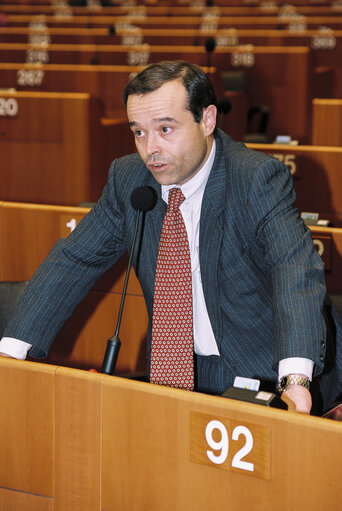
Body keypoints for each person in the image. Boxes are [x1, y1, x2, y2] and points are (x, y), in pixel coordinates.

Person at [0, 61, 336, 415]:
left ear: (207, 120)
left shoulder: (255, 178)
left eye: (165, 128)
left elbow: (294, 270)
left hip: (264, 372)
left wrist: (296, 380)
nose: (150, 149)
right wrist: (11, 350)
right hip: (173, 370)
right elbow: (75, 260)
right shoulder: (129, 178)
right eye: (139, 132)